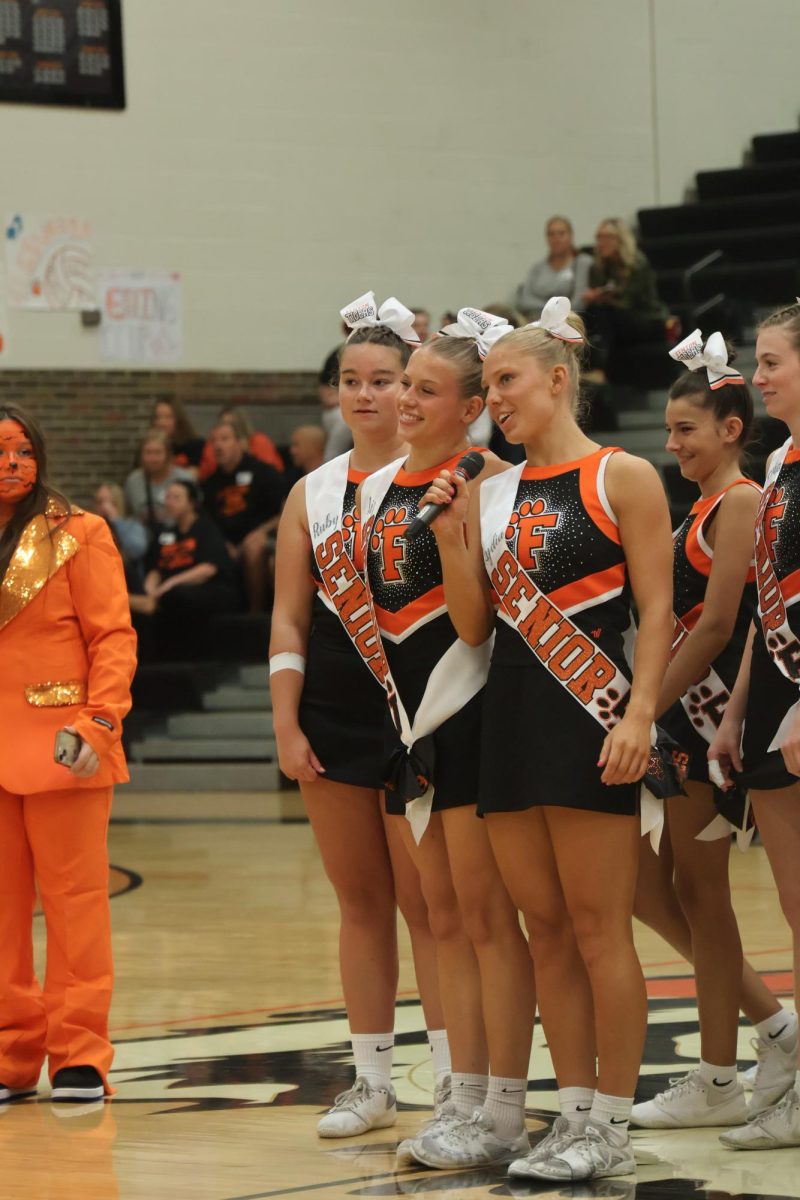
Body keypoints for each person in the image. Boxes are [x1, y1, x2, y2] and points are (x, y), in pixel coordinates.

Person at [422, 297, 674, 1182]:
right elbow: (470, 629)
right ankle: (568, 1116)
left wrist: (641, 714)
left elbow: (658, 610)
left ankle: (610, 1123)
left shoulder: (625, 475)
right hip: (511, 719)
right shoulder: (490, 490)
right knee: (547, 931)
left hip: (593, 716)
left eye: (506, 381)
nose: (494, 401)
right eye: (487, 387)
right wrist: (455, 536)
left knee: (604, 930)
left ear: (558, 380)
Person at [360, 309, 536, 1172]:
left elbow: (485, 626)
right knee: (440, 918)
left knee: (486, 920)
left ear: (470, 408)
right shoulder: (378, 486)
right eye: (403, 385)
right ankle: (461, 1094)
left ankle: (503, 1106)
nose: (403, 401)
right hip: (411, 729)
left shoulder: (494, 480)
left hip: (472, 718)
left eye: (425, 391)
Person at [270, 292, 447, 1139]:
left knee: (433, 907)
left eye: (385, 380)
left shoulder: (445, 476)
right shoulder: (308, 493)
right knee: (359, 901)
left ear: (410, 388)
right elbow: (289, 618)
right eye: (352, 380)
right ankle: (372, 1082)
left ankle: (455, 1082)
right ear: (335, 390)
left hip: (420, 711)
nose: (368, 396)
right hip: (332, 713)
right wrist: (284, 722)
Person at [631, 330, 796, 1130]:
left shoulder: (740, 500)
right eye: (667, 431)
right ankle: (773, 1025)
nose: (672, 444)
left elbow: (720, 623)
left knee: (703, 896)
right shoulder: (701, 502)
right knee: (651, 885)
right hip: (686, 718)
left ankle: (721, 1074)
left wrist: (644, 705)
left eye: (685, 429)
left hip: (713, 714)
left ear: (730, 429)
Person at [0, 405, 137, 1105]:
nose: (12, 462)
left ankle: (79, 1054)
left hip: (64, 747)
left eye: (23, 450)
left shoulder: (80, 533)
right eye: (0, 451)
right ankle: (9, 1057)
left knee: (76, 905)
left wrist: (98, 724)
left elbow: (113, 638)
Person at [710, 300, 800, 1151]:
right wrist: (738, 710)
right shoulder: (776, 460)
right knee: (794, 902)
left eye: (771, 361)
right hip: (772, 694)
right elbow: (763, 596)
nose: (759, 374)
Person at [131, 479, 239, 630]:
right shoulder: (165, 533)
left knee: (175, 596)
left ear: (191, 503)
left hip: (208, 588)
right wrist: (148, 592)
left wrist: (170, 584)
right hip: (170, 593)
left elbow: (208, 569)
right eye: (167, 497)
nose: (170, 502)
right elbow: (156, 568)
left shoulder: (206, 528)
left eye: (176, 498)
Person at [202, 419, 285, 612]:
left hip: (266, 539)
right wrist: (222, 544)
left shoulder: (263, 472)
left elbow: (286, 510)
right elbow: (207, 522)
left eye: (224, 439)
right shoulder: (210, 483)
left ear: (240, 442)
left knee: (253, 546)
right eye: (214, 440)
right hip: (227, 544)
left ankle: (255, 613)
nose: (218, 445)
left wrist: (261, 531)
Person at [582, 218, 670, 382]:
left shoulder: (637, 263)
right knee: (591, 314)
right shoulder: (597, 267)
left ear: (620, 239)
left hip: (646, 318)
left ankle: (599, 370)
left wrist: (603, 297)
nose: (602, 242)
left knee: (604, 315)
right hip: (615, 318)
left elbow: (630, 301)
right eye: (599, 238)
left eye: (608, 237)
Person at [516, 216, 592, 320]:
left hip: (567, 322)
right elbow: (525, 300)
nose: (556, 239)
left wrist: (552, 311)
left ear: (571, 236)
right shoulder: (537, 267)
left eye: (561, 234)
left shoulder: (582, 263)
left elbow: (579, 302)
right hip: (536, 322)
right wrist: (552, 308)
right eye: (551, 234)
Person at [123, 429, 194, 532]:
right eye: (148, 453)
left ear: (168, 455)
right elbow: (128, 513)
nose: (152, 458)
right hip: (144, 536)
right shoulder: (133, 481)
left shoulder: (184, 479)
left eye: (158, 453)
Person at [197, 406, 285, 480]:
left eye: (232, 424)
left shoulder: (258, 441)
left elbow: (273, 472)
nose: (218, 444)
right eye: (222, 423)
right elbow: (205, 472)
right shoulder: (213, 444)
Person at [93, 481, 148, 593]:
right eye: (100, 502)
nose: (104, 507)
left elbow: (137, 550)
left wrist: (117, 520)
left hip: (129, 583)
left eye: (110, 502)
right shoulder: (91, 528)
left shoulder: (131, 525)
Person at [150, 398, 205, 473]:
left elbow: (193, 476)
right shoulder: (148, 447)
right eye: (158, 417)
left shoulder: (195, 445)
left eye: (168, 417)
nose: (162, 423)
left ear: (178, 420)